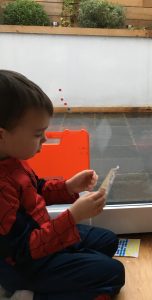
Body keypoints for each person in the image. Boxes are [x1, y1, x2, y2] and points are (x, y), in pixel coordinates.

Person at [0, 70, 125, 300]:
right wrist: (72, 217)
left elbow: (37, 189)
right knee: (114, 274)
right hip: (26, 266)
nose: (45, 140)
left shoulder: (13, 160)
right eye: (38, 134)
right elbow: (25, 250)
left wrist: (68, 187)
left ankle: (73, 265)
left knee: (108, 241)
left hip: (44, 234)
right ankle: (29, 296)